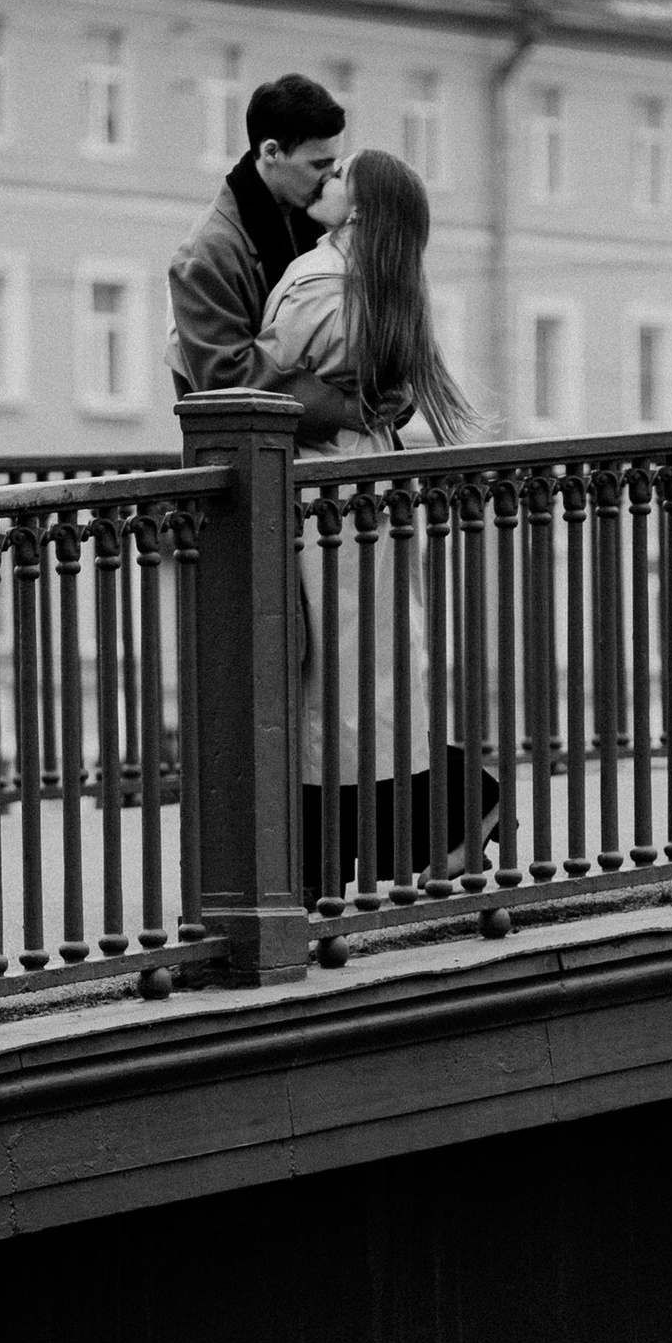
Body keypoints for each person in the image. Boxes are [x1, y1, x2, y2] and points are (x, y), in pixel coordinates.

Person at [253, 147, 483, 898]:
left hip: (324, 491)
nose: (327, 181)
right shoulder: (372, 285)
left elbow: (255, 382)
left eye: (340, 175)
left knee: (326, 678)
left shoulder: (323, 286)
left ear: (358, 209)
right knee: (366, 679)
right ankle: (451, 813)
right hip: (366, 487)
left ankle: (335, 860)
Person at [165, 71, 365, 431]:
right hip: (252, 458)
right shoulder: (207, 253)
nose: (330, 177)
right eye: (318, 164)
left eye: (334, 164)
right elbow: (227, 381)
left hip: (320, 453)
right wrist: (347, 408)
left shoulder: (318, 218)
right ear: (271, 151)